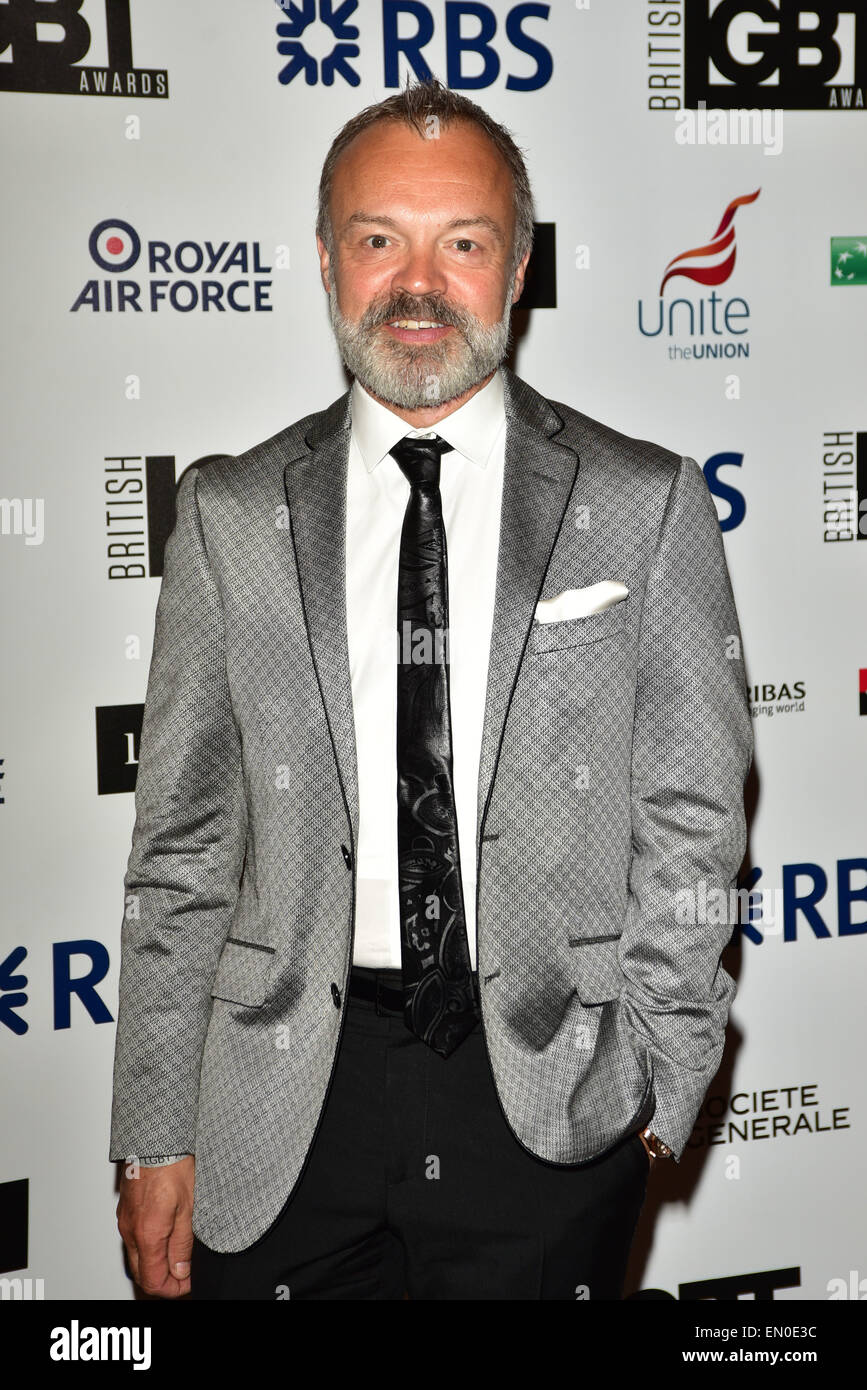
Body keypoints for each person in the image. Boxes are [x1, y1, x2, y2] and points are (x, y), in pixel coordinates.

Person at [110, 76, 753, 1301]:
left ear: (516, 269)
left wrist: (665, 1081)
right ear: (325, 263)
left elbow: (696, 819)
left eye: (461, 242)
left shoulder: (647, 505)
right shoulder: (230, 516)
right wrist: (153, 1126)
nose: (417, 283)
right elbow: (181, 850)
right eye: (377, 240)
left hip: (550, 1103)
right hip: (279, 1103)